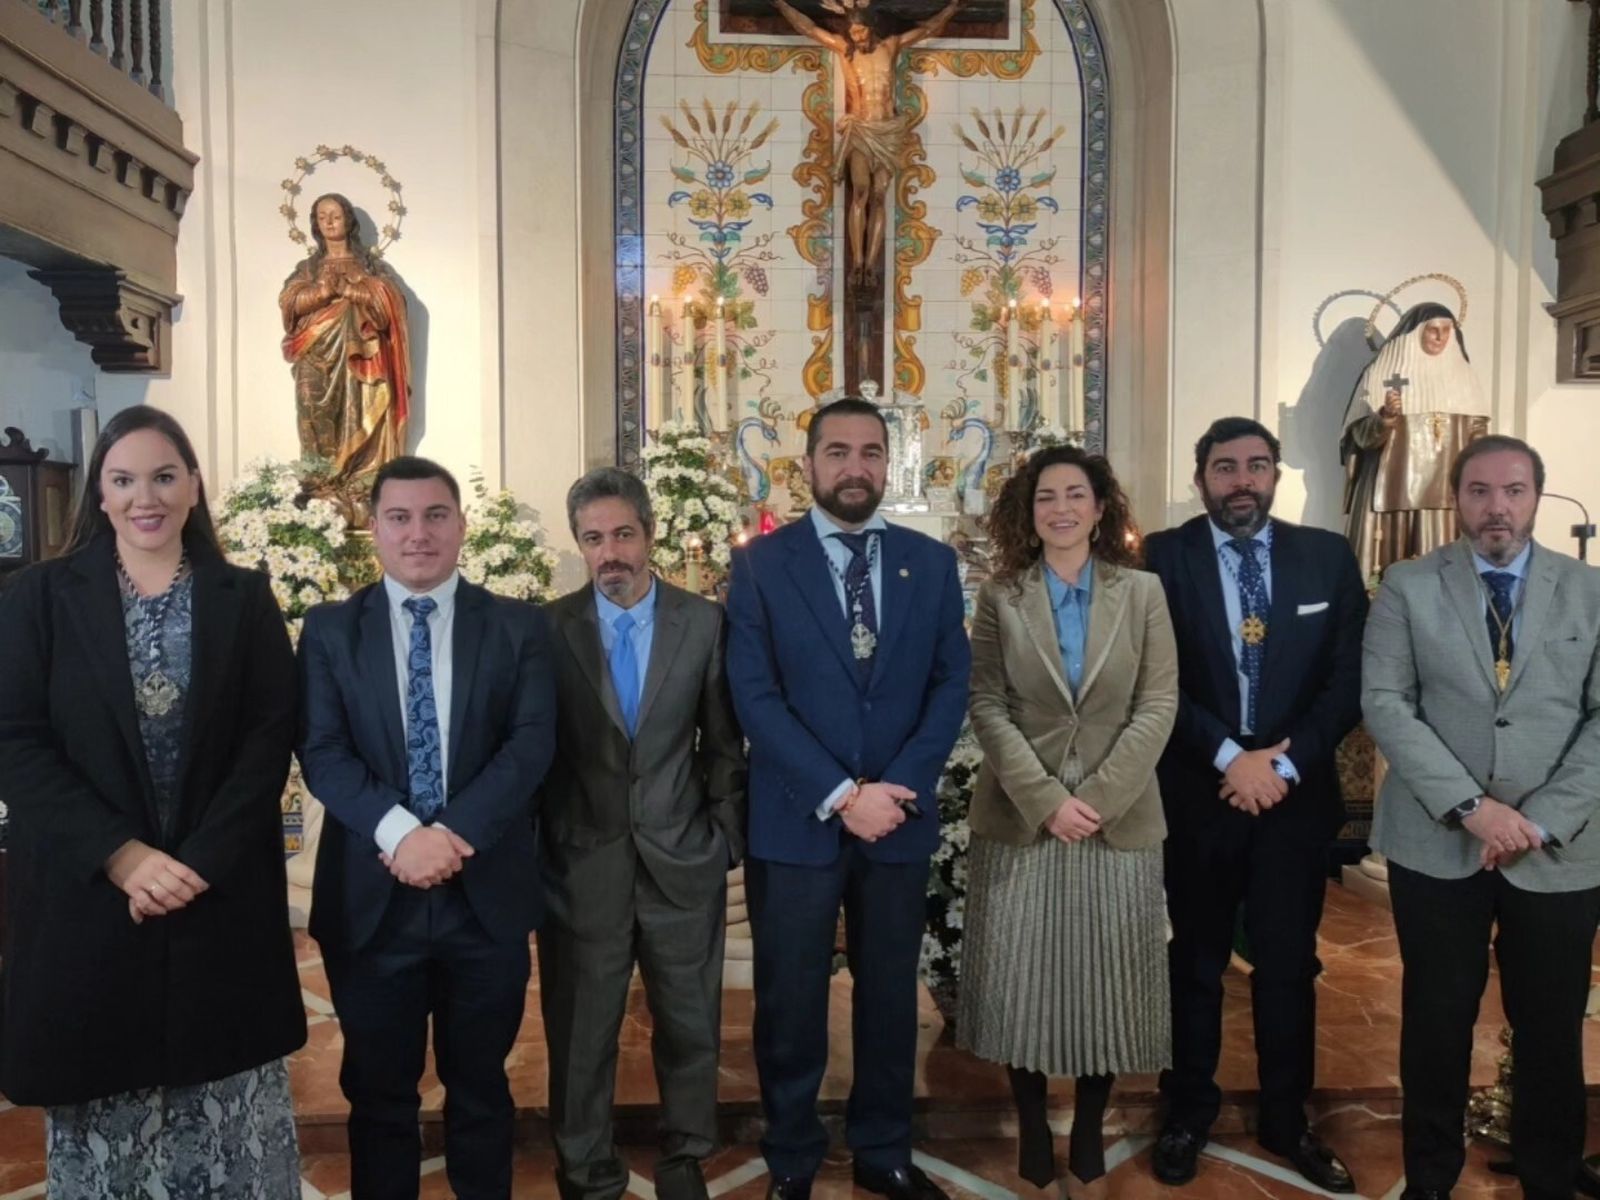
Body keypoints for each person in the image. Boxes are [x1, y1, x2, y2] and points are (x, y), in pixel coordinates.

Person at [0, 404, 304, 1196]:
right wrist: (125, 858)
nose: (148, 496)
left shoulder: (244, 597)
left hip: (217, 892)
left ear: (195, 486)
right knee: (109, 1110)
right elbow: (16, 742)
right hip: (91, 896)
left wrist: (195, 862)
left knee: (222, 1101)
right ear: (98, 493)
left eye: (166, 476)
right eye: (126, 479)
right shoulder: (37, 599)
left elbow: (269, 739)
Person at [726, 397, 971, 1200]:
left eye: (870, 452)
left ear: (887, 464)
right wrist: (839, 793)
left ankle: (883, 1149)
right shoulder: (762, 565)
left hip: (896, 816)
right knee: (789, 998)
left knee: (889, 995)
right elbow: (754, 696)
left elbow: (949, 682)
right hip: (797, 817)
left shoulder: (928, 563)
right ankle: (791, 1156)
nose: (854, 467)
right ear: (809, 467)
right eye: (838, 452)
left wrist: (895, 786)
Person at [297, 455, 556, 1200]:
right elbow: (321, 749)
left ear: (461, 526)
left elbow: (531, 742)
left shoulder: (517, 627)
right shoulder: (329, 631)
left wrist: (451, 835)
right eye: (400, 518)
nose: (419, 534)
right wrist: (401, 833)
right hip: (373, 906)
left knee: (481, 1090)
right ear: (373, 529)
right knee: (379, 1096)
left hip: (486, 901)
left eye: (435, 516)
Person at [1362, 435, 1600, 1200]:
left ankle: (1550, 1180)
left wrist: (1539, 819)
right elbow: (1386, 703)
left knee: (1552, 1030)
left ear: (1537, 497)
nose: (1497, 506)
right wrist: (1473, 808)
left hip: (1558, 849)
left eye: (1514, 490)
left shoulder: (1590, 591)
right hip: (1437, 841)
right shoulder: (1406, 583)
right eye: (1479, 490)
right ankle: (1429, 1180)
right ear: (1456, 498)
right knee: (1435, 1023)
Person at [1143, 417, 1367, 1193]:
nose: (1243, 480)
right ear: (1200, 476)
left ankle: (1286, 1118)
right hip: (1199, 795)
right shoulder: (1161, 558)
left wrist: (1287, 761)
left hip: (1292, 800)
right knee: (1195, 962)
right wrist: (1228, 757)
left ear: (1276, 475)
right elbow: (1152, 678)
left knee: (1286, 966)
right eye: (1225, 467)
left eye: (1257, 466)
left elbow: (1348, 678)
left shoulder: (1326, 557)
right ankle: (1187, 1112)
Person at [960, 446, 1178, 1200]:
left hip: (1117, 819)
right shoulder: (1001, 596)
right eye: (1045, 496)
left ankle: (1087, 1128)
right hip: (1024, 817)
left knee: (1107, 980)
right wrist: (1048, 799)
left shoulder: (1142, 593)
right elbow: (986, 702)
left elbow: (1159, 702)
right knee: (1023, 979)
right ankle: (1028, 1124)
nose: (1060, 508)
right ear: (1028, 511)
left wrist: (1101, 796)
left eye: (1074, 494)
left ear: (1098, 506)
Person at [539, 467, 747, 1200]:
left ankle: (685, 1152)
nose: (610, 553)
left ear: (650, 534)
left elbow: (723, 743)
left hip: (681, 855)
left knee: (689, 1020)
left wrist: (723, 837)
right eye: (594, 539)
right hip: (581, 863)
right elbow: (539, 753)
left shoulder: (704, 622)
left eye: (623, 534)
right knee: (581, 1029)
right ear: (579, 546)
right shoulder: (548, 628)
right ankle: (585, 1166)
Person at [771, 0, 962, 281]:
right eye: (853, 32)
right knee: (860, 191)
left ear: (871, 28)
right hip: (860, 129)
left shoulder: (891, 47)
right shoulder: (844, 50)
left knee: (880, 195)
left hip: (888, 130)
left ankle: (871, 264)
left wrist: (953, 7)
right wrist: (780, 4)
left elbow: (928, 28)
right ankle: (857, 261)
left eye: (860, 32)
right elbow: (808, 28)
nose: (856, 37)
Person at [279, 191, 413, 520]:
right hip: (314, 350)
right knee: (311, 408)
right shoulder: (307, 267)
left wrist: (354, 291)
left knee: (359, 410)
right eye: (321, 216)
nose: (329, 221)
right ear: (313, 224)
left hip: (362, 358)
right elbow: (289, 303)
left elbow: (392, 304)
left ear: (348, 220)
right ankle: (320, 483)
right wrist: (323, 291)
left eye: (335, 215)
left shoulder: (370, 265)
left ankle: (360, 481)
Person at [1341, 302, 1488, 579]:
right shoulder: (1381, 374)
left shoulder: (1464, 377)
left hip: (1444, 496)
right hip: (1388, 491)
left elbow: (1478, 439)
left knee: (1440, 573)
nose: (1440, 338)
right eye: (1433, 330)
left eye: (1447, 330)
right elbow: (1359, 437)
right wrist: (1385, 417)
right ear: (1416, 333)